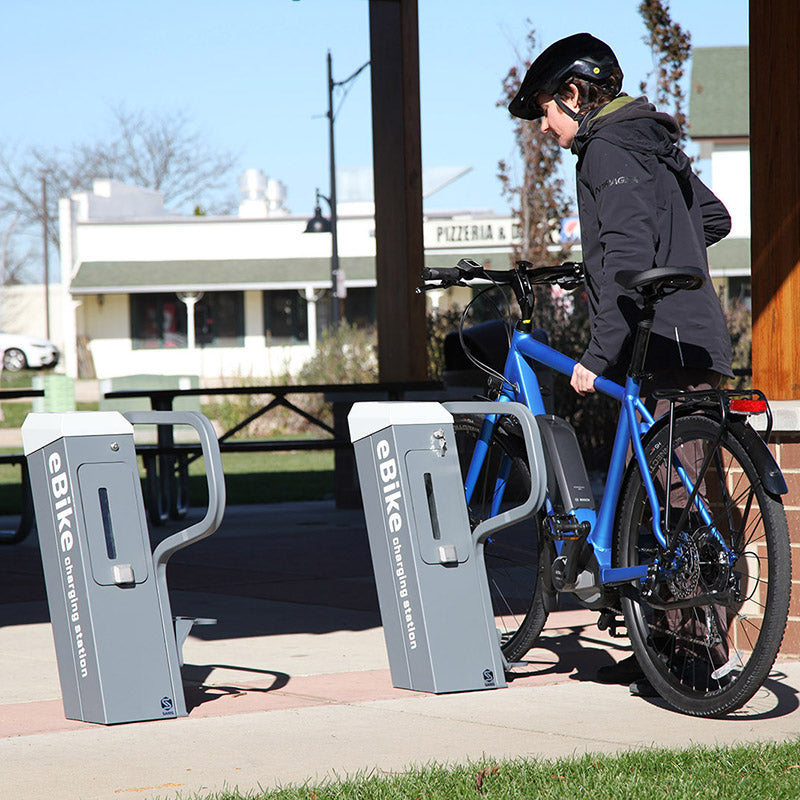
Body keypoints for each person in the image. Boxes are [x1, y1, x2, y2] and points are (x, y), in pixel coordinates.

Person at [508, 33, 734, 694]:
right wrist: (678, 245)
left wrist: (595, 353)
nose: (544, 126)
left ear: (575, 95)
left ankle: (705, 661)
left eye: (547, 109)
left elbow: (630, 264)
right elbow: (712, 218)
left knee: (672, 508)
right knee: (656, 495)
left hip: (659, 342)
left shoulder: (605, 149)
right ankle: (661, 646)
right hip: (692, 339)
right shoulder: (650, 141)